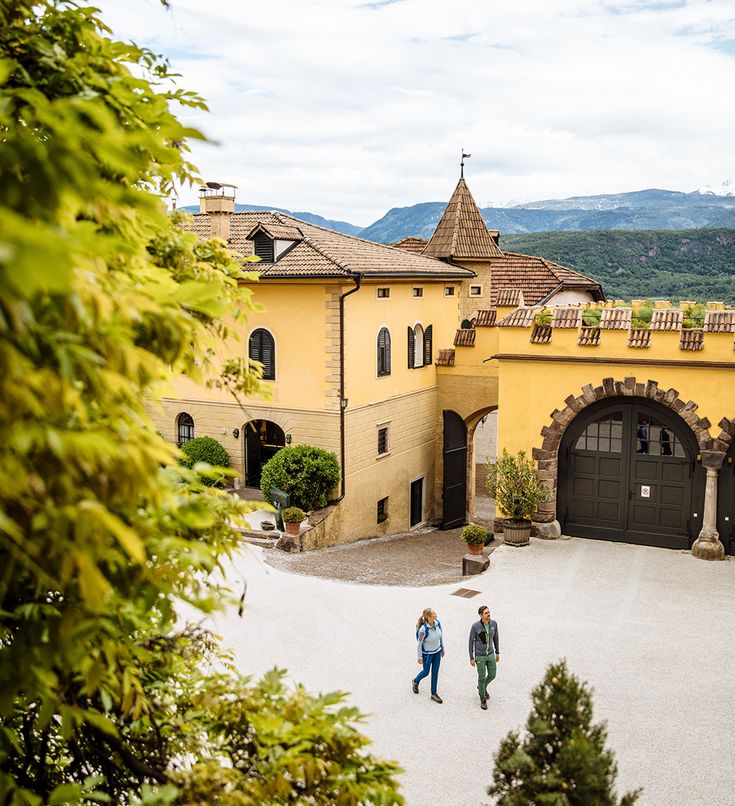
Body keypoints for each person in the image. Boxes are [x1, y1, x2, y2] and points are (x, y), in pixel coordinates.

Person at [468, 605, 499, 710]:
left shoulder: (494, 624)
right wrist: (471, 657)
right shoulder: (475, 626)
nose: (488, 614)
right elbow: (470, 641)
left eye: (489, 612)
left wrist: (497, 652)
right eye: (486, 613)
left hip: (490, 654)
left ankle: (482, 687)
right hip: (480, 656)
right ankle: (482, 698)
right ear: (481, 615)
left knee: (492, 675)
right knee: (481, 677)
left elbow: (496, 638)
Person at [412, 607, 444, 703]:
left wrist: (442, 648)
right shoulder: (423, 629)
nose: (435, 613)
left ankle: (434, 693)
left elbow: (441, 636)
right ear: (429, 617)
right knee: (426, 672)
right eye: (433, 613)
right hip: (428, 655)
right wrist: (419, 657)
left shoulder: (438, 623)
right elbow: (419, 644)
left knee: (435, 672)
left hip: (437, 652)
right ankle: (415, 681)